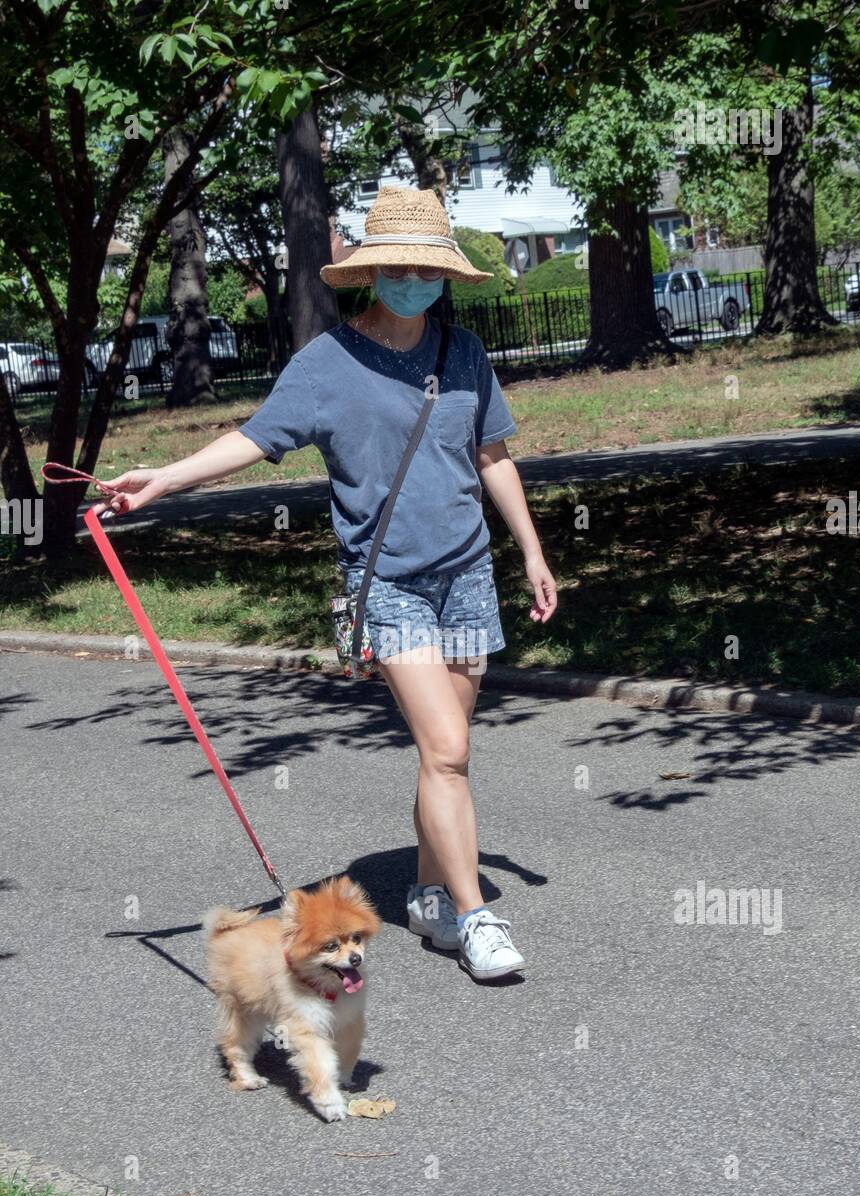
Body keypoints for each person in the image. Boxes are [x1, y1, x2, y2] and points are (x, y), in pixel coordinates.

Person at [95, 185, 557, 982]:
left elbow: (492, 456)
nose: (417, 281)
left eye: (430, 268)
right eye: (402, 267)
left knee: (445, 758)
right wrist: (164, 481)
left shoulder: (464, 352)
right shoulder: (328, 364)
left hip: (467, 575)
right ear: (373, 273)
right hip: (390, 584)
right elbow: (250, 439)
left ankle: (425, 896)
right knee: (446, 748)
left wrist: (533, 551)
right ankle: (477, 915)